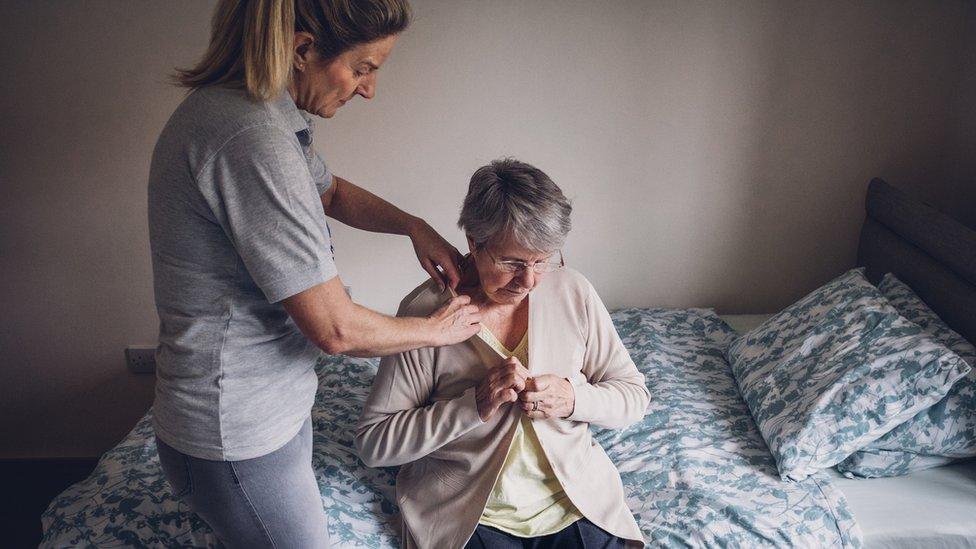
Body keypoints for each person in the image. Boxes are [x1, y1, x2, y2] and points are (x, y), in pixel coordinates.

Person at [147, 0, 481, 546]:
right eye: (363, 68)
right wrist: (438, 330)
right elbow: (335, 330)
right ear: (303, 50)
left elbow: (329, 191)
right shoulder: (250, 138)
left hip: (263, 406)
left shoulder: (264, 115)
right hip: (234, 429)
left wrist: (413, 225)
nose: (369, 89)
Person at [355, 159, 650, 549]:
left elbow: (634, 397)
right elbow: (374, 443)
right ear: (475, 244)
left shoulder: (573, 292)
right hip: (471, 514)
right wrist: (472, 405)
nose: (528, 281)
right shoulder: (427, 313)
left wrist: (572, 398)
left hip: (574, 503)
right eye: (512, 262)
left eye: (542, 261)